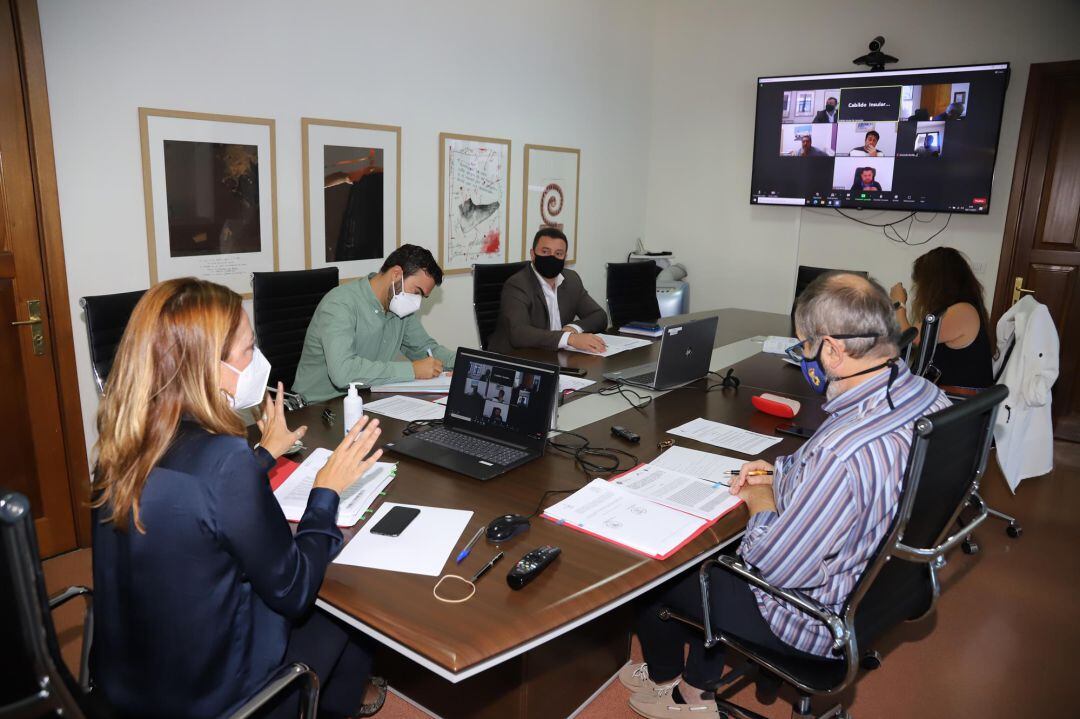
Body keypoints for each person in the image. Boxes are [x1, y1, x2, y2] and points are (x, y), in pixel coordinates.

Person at [621, 273, 950, 718]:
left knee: (661, 569)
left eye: (806, 346)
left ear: (833, 350)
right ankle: (683, 677)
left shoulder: (843, 450)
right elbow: (839, 479)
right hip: (883, 589)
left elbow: (771, 564)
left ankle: (686, 694)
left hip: (816, 619)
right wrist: (783, 473)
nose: (804, 357)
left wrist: (761, 501)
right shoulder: (926, 396)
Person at [90, 278, 388, 718]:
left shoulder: (120, 444)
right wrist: (326, 490)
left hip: (128, 685)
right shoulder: (224, 459)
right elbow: (293, 590)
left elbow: (187, 497)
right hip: (218, 699)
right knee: (352, 608)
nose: (259, 362)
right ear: (205, 366)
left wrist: (264, 455)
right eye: (249, 350)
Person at [293, 244, 456, 402]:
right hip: (318, 408)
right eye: (416, 292)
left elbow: (427, 351)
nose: (417, 302)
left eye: (422, 297)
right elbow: (343, 373)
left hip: (367, 399)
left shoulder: (399, 309)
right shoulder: (340, 304)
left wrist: (467, 363)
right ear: (396, 274)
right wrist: (412, 370)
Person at [487, 228, 608, 354]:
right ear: (533, 254)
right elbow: (519, 333)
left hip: (553, 355)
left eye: (558, 254)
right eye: (545, 252)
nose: (552, 258)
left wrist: (573, 328)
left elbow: (599, 316)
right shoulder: (518, 284)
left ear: (564, 257)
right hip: (516, 358)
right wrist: (569, 338)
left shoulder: (571, 280)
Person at [891, 246, 996, 388]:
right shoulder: (961, 309)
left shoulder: (963, 312)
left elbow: (910, 338)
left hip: (959, 402)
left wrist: (899, 304)